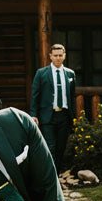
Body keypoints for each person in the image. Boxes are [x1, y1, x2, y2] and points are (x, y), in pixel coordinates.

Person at [30, 43, 76, 173]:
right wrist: (33, 114)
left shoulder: (70, 74)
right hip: (48, 116)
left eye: (60, 55)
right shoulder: (41, 73)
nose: (58, 58)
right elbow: (35, 95)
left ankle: (56, 174)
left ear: (64, 56)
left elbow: (72, 97)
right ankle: (51, 175)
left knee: (61, 148)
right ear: (50, 56)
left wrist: (74, 116)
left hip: (65, 116)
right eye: (55, 55)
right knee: (50, 147)